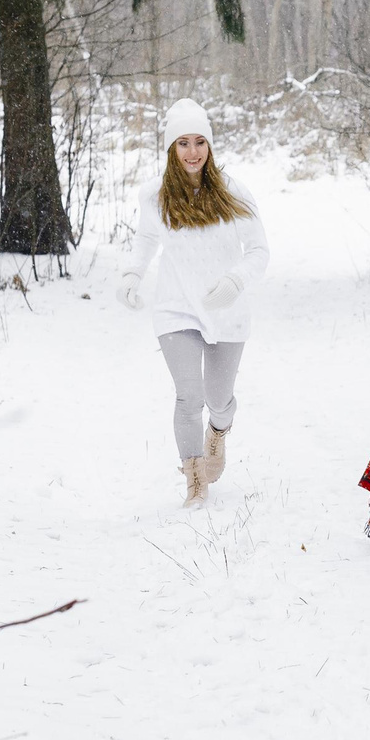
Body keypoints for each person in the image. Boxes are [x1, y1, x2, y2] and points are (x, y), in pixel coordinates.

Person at [120, 98, 268, 505]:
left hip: (227, 311)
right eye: (182, 142)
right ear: (171, 148)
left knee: (219, 401)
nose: (192, 151)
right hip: (176, 307)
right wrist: (133, 273)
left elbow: (259, 251)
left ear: (210, 145)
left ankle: (218, 434)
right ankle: (195, 479)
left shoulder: (233, 191)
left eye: (200, 141)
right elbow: (147, 238)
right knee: (189, 396)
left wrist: (234, 282)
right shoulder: (154, 196)